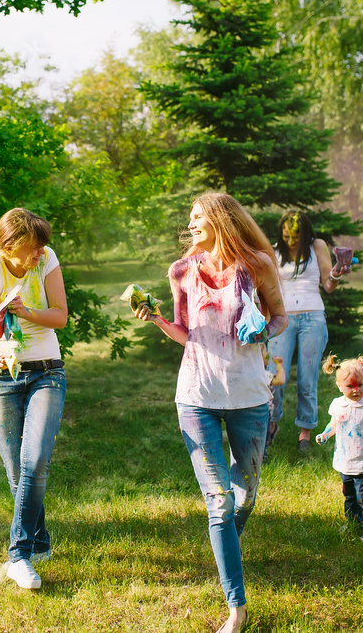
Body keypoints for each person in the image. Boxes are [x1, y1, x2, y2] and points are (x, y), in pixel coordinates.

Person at [133, 192, 288, 633]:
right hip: (196, 395)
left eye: (198, 217)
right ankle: (236, 608)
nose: (191, 224)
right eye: (190, 218)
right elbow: (187, 334)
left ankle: (225, 550)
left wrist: (261, 329)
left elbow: (280, 318)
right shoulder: (181, 270)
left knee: (245, 497)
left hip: (251, 397)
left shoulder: (256, 263)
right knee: (219, 503)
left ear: (221, 219)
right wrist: (159, 321)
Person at [0, 208, 69, 591]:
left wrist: (27, 312)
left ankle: (18, 555)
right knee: (16, 470)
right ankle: (39, 541)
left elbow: (60, 316)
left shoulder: (47, 260)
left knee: (35, 460)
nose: (40, 253)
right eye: (33, 247)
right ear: (11, 246)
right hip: (2, 377)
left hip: (47, 371)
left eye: (42, 247)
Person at [267, 210, 345, 453]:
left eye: (296, 236)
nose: (291, 241)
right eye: (287, 235)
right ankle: (270, 425)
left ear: (306, 233)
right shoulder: (274, 250)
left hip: (313, 318)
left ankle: (305, 434)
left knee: (307, 379)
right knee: (274, 378)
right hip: (282, 320)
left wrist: (336, 275)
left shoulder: (317, 246)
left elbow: (328, 286)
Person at [315, 353, 363, 540]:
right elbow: (334, 424)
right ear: (339, 386)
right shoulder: (337, 405)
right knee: (349, 495)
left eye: (360, 385)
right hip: (344, 460)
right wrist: (325, 435)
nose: (356, 390)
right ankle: (354, 522)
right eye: (350, 386)